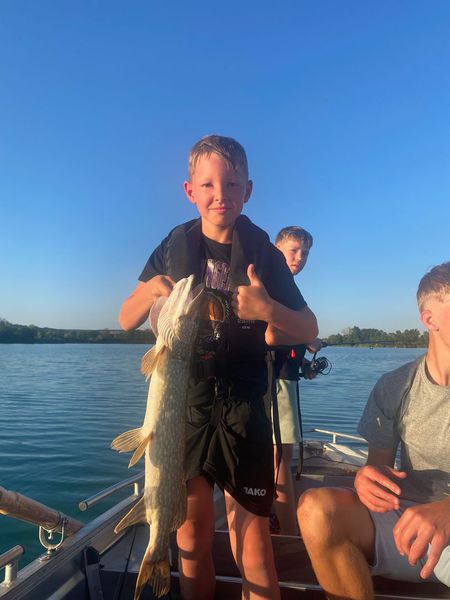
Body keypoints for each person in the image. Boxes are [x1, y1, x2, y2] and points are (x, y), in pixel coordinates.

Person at [119, 135, 318, 600]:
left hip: (244, 406)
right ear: (190, 191)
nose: (219, 194)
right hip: (185, 405)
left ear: (248, 190)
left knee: (253, 544)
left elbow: (308, 327)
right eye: (208, 184)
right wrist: (149, 290)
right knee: (190, 536)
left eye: (231, 184)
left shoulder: (264, 253)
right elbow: (126, 318)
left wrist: (268, 310)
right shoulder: (174, 245)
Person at [297, 262, 450, 599]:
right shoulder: (395, 386)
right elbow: (378, 469)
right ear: (430, 320)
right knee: (317, 509)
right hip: (407, 527)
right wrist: (366, 479)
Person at [271, 226, 322, 535]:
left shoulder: (284, 288)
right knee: (280, 457)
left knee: (278, 456)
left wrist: (303, 363)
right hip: (275, 384)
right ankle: (288, 532)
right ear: (277, 249)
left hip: (284, 378)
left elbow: (281, 343)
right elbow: (269, 335)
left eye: (305, 253)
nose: (300, 257)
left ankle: (274, 519)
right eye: (293, 250)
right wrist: (306, 336)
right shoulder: (275, 287)